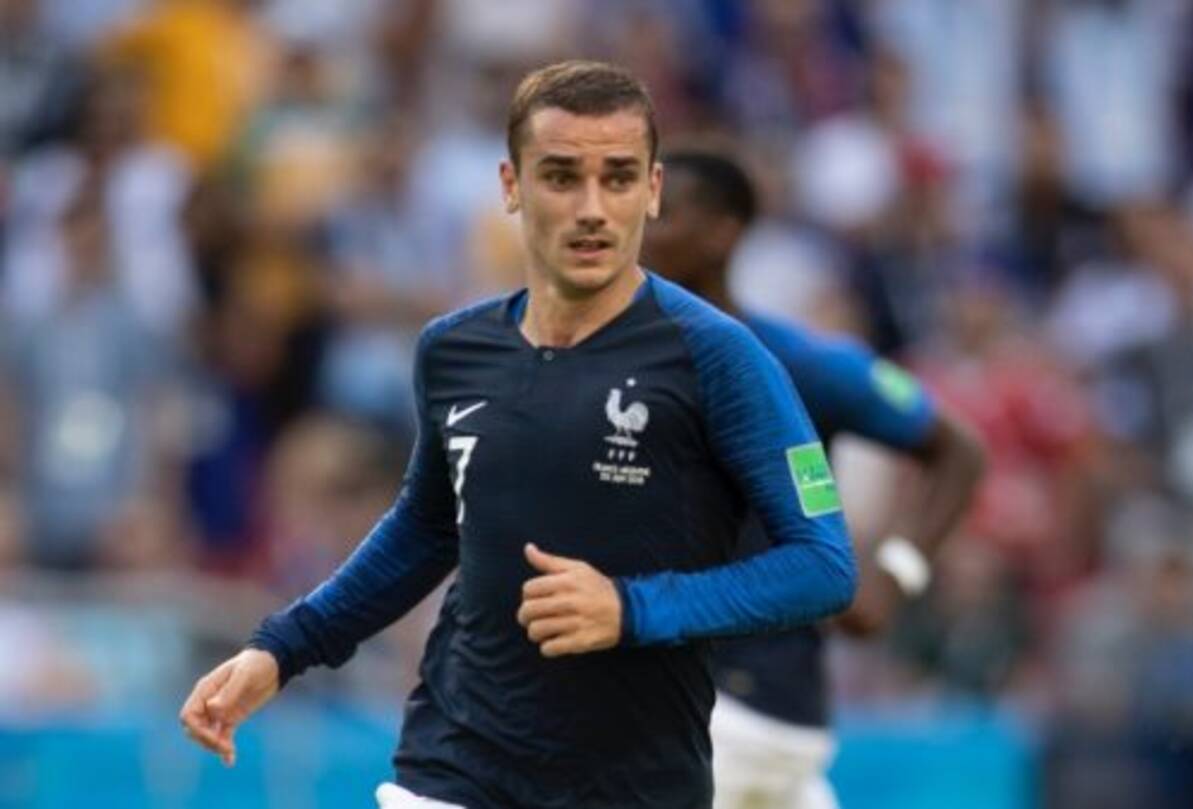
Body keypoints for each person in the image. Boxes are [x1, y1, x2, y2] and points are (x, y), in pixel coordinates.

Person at [179, 61, 856, 809]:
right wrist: (282, 647)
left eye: (618, 178)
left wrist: (632, 608)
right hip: (455, 766)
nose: (592, 208)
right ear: (511, 185)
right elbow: (426, 529)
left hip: (636, 784)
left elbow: (822, 565)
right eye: (561, 177)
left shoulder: (720, 356)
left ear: (653, 189)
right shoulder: (454, 349)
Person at [642, 148, 986, 809]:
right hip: (754, 727)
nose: (640, 231)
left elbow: (959, 451)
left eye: (664, 215)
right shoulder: (617, 360)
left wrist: (896, 575)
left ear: (723, 232)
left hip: (726, 718)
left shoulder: (795, 360)